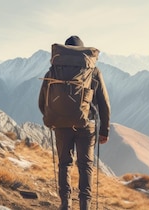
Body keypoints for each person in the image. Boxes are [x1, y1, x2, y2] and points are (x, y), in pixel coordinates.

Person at [38, 35, 111, 210]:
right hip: (87, 124)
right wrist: (105, 129)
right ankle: (85, 205)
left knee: (65, 164)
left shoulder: (54, 71)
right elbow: (104, 102)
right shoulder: (92, 70)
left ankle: (65, 204)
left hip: (61, 125)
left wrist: (55, 117)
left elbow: (42, 101)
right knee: (85, 165)